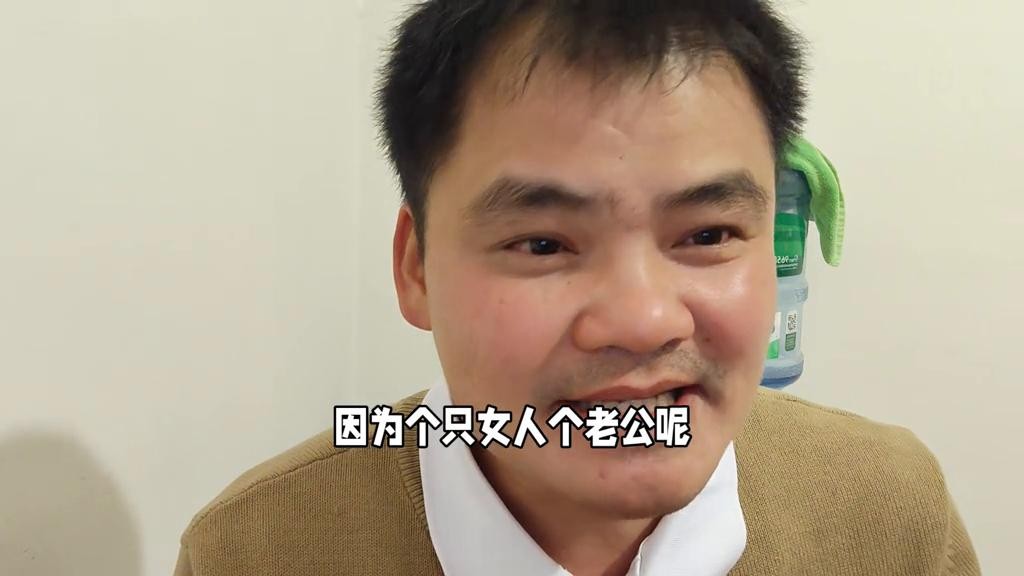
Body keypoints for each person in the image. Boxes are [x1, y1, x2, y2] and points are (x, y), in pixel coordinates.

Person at [173, 1, 980, 574]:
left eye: (707, 235)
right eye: (543, 244)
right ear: (415, 268)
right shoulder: (260, 549)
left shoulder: (890, 515)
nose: (643, 320)